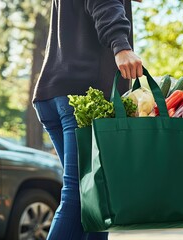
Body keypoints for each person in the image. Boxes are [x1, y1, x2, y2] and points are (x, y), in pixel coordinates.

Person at [32, 0, 143, 239]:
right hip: (82, 96)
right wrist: (121, 45)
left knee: (97, 200)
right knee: (80, 198)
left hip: (54, 93)